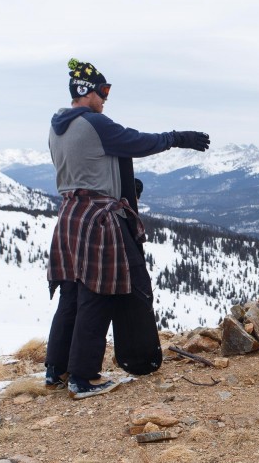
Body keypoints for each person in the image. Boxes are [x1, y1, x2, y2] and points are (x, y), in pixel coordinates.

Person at [45, 58, 211, 399]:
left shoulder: (57, 127)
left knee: (72, 295)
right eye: (102, 91)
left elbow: (87, 166)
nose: (105, 98)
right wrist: (178, 137)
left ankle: (56, 370)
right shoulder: (94, 123)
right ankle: (84, 377)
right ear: (85, 92)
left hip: (70, 214)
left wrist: (118, 182)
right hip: (98, 218)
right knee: (99, 294)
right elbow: (136, 141)